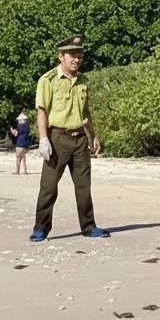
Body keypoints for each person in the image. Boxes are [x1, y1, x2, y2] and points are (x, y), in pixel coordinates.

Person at [30, 35, 108, 241]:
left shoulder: (84, 81)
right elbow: (41, 111)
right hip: (57, 139)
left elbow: (85, 112)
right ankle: (40, 228)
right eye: (72, 55)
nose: (77, 60)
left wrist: (93, 135)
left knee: (83, 186)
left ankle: (89, 226)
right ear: (61, 56)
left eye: (80, 56)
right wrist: (43, 139)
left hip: (80, 139)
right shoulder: (47, 80)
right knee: (48, 187)